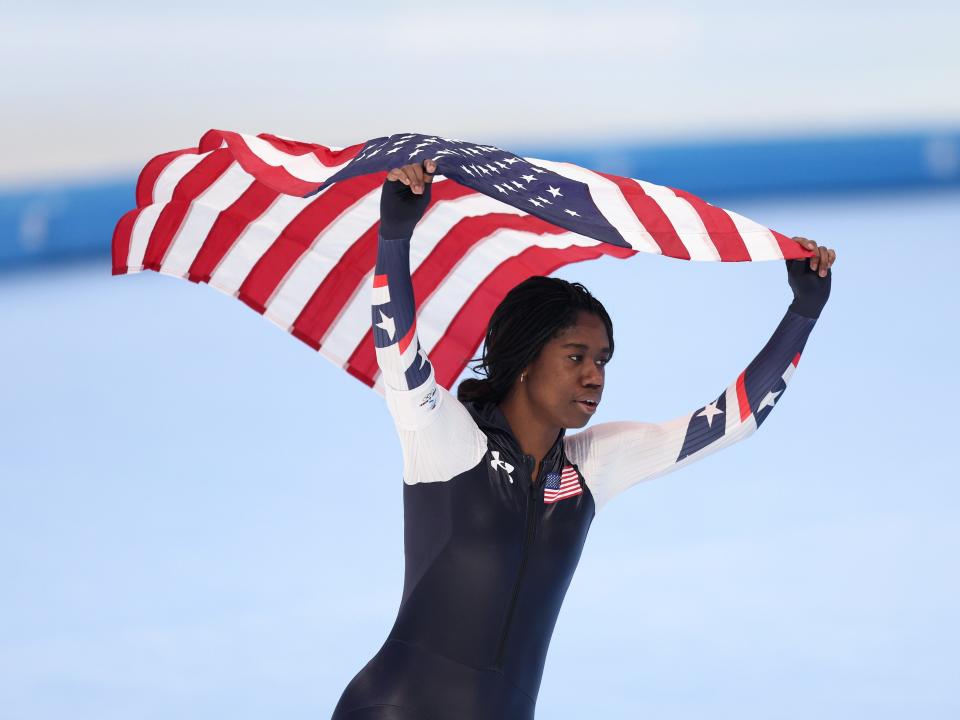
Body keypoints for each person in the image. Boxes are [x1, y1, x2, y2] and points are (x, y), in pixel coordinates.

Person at [331, 160, 835, 720]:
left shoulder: (588, 469)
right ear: (525, 359)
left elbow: (732, 421)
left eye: (602, 360)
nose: (594, 375)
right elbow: (397, 353)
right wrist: (395, 235)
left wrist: (803, 311)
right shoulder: (448, 439)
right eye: (575, 357)